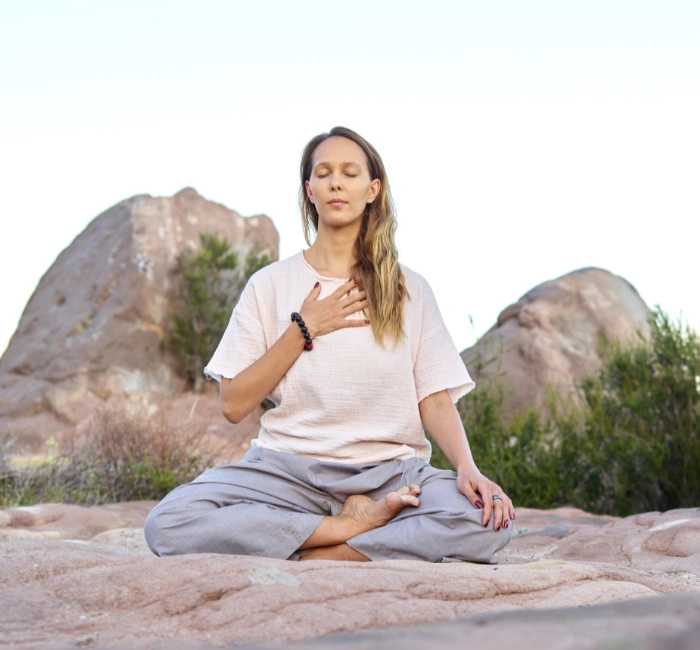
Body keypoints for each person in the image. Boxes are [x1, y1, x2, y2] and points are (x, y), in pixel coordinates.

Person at [144, 126, 514, 563]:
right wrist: (304, 329)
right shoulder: (270, 284)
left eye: (349, 173)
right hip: (285, 471)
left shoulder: (409, 289)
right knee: (169, 522)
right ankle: (347, 528)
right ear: (310, 190)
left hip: (390, 474)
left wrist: (468, 469)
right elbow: (233, 403)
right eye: (324, 173)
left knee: (485, 524)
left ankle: (329, 554)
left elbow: (433, 399)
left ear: (372, 189)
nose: (336, 182)